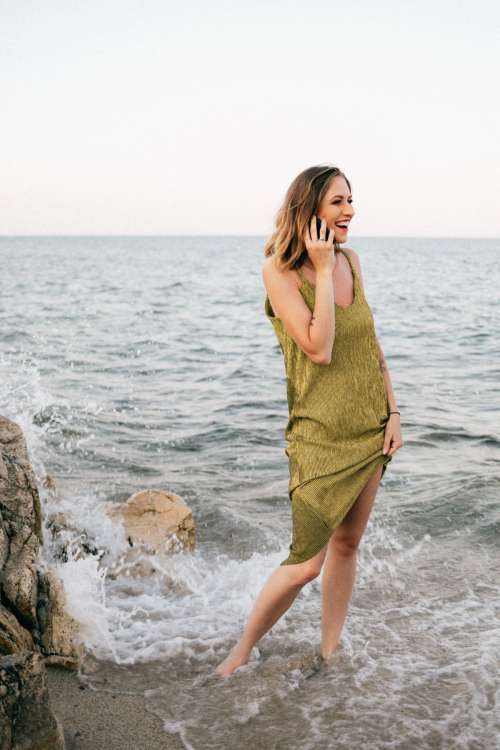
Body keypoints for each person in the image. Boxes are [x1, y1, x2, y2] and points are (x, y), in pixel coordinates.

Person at [215, 164, 403, 678]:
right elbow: (319, 349)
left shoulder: (354, 262)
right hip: (318, 435)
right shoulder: (278, 271)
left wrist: (394, 412)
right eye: (339, 201)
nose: (350, 211)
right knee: (306, 561)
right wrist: (321, 269)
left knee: (347, 545)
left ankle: (328, 651)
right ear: (310, 208)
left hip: (370, 429)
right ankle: (242, 650)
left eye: (351, 200)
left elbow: (371, 345)